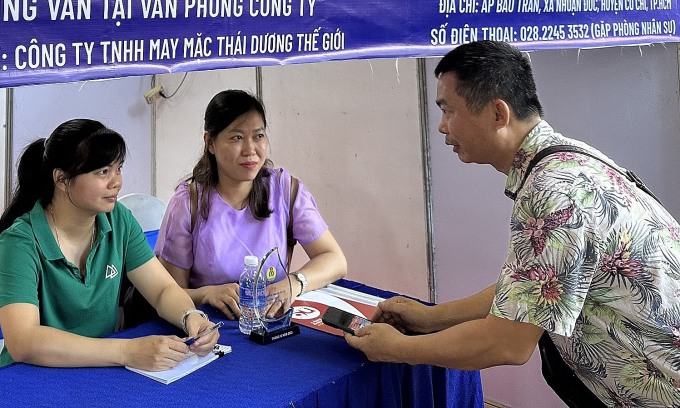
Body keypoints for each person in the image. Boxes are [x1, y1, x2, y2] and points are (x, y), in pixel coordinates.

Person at [345, 40, 680, 407]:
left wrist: (399, 349)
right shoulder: (566, 162)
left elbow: (507, 341)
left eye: (448, 110)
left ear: (498, 114)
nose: (441, 127)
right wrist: (431, 317)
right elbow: (531, 291)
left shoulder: (554, 193)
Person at [0, 119, 219, 370]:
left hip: (98, 369)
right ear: (61, 179)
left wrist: (191, 316)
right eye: (103, 171)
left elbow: (161, 290)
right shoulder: (19, 242)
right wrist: (128, 351)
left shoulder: (118, 219)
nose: (116, 181)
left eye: (118, 168)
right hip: (29, 377)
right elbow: (23, 341)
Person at [155, 90, 347, 320]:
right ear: (210, 143)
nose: (250, 150)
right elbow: (168, 294)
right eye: (236, 137)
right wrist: (206, 294)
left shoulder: (284, 190)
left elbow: (335, 259)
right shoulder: (189, 202)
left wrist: (294, 283)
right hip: (210, 328)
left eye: (258, 136)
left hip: (270, 323)